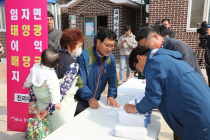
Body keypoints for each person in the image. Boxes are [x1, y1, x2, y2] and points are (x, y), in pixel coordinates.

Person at [124, 46, 210, 140]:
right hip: (202, 110)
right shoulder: (169, 59)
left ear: (139, 58)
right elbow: (173, 89)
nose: (142, 72)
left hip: (198, 121)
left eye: (137, 69)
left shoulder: (153, 62)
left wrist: (136, 108)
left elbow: (153, 98)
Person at [28, 28, 84, 132]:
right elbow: (62, 91)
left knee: (44, 134)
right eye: (79, 46)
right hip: (59, 109)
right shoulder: (72, 65)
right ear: (69, 45)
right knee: (61, 134)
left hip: (40, 105)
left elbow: (33, 80)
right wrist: (48, 110)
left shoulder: (48, 57)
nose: (80, 48)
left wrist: (33, 101)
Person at [75, 28, 120, 116]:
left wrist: (111, 95)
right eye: (107, 45)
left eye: (112, 46)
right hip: (80, 101)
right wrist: (89, 98)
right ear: (98, 42)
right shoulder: (84, 56)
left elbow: (113, 79)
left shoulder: (111, 58)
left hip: (96, 100)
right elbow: (80, 82)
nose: (110, 49)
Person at [136, 27, 205, 80]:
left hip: (192, 90)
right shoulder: (157, 51)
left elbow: (186, 73)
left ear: (155, 37)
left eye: (147, 45)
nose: (147, 48)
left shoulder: (178, 46)